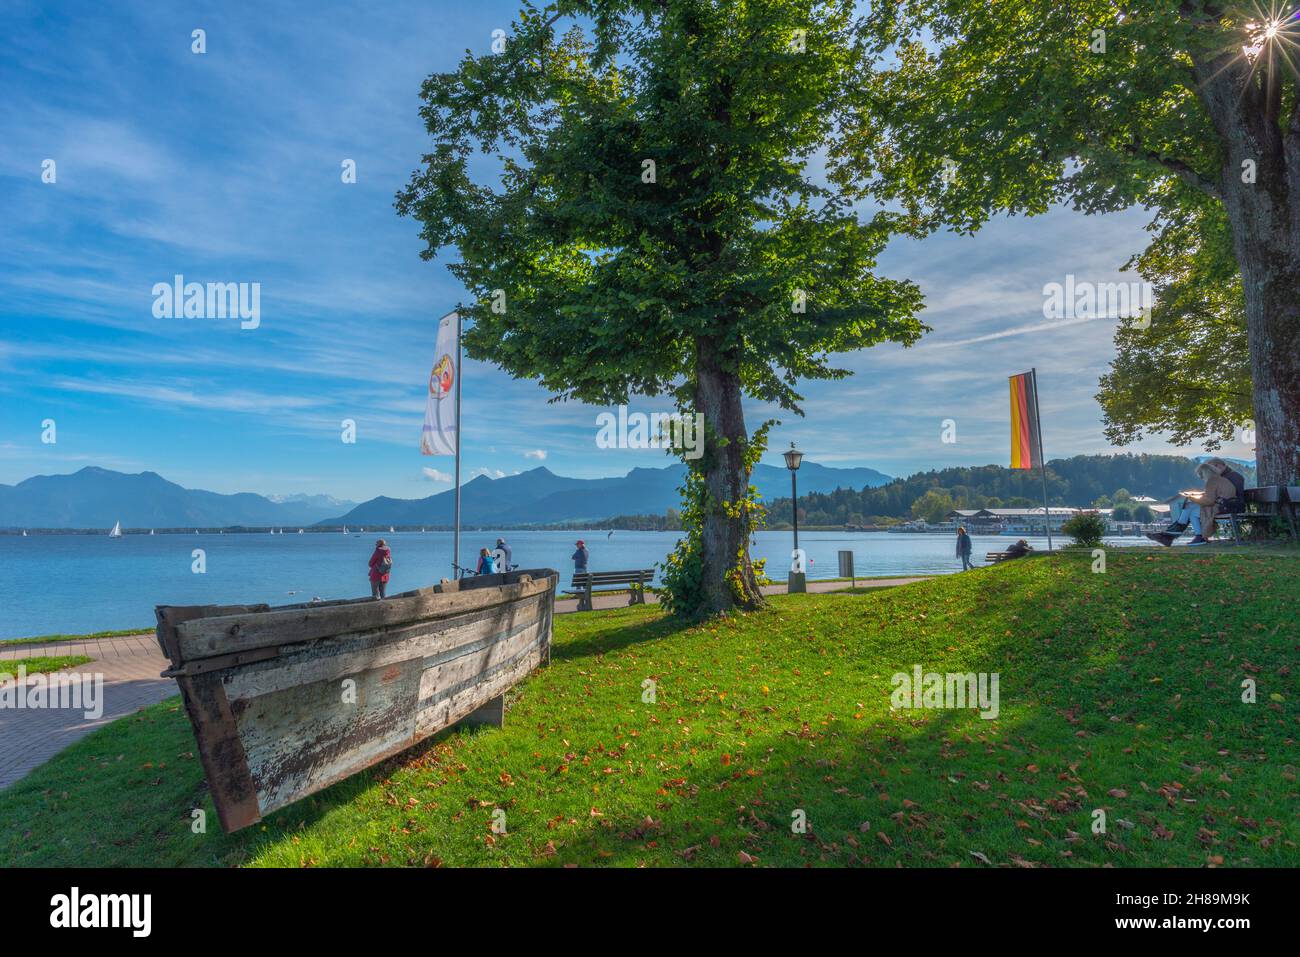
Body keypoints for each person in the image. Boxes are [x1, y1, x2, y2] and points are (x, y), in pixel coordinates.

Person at [1146, 461, 1238, 547]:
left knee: (1190, 509)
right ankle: (1174, 535)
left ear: (1205, 473)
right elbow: (1212, 498)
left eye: (1201, 475)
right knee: (1191, 510)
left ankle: (1170, 536)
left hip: (1221, 508)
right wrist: (1194, 500)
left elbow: (1209, 501)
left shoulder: (1212, 482)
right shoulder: (1219, 480)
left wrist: (1192, 498)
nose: (1201, 478)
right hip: (1227, 505)